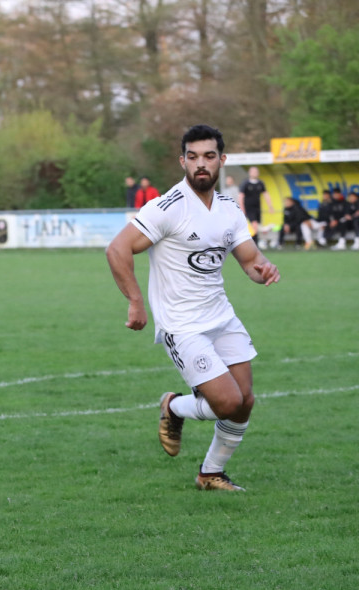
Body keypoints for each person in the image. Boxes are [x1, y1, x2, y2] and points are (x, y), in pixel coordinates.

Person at [105, 124, 280, 492]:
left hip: (221, 316)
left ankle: (210, 473)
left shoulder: (229, 208)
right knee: (227, 402)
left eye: (210, 156)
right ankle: (173, 407)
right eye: (194, 156)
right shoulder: (167, 207)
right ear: (182, 160)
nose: (202, 164)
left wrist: (261, 269)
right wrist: (136, 300)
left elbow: (249, 259)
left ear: (222, 161)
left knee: (245, 401)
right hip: (182, 325)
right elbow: (117, 249)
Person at [240, 166, 273, 238]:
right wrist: (242, 208)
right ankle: (252, 242)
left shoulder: (260, 183)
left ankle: (255, 241)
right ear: (249, 173)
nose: (255, 173)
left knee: (257, 225)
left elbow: (266, 194)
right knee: (254, 224)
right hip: (248, 207)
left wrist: (270, 206)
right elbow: (241, 196)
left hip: (257, 207)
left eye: (256, 172)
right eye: (253, 171)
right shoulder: (245, 183)